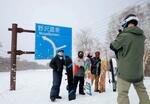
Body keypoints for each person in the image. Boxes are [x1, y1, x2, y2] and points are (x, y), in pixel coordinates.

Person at [110, 14, 150, 104]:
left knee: (122, 94)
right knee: (142, 92)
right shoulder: (142, 37)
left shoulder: (124, 36)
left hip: (125, 73)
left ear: (126, 23)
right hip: (138, 72)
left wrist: (119, 35)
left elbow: (113, 46)